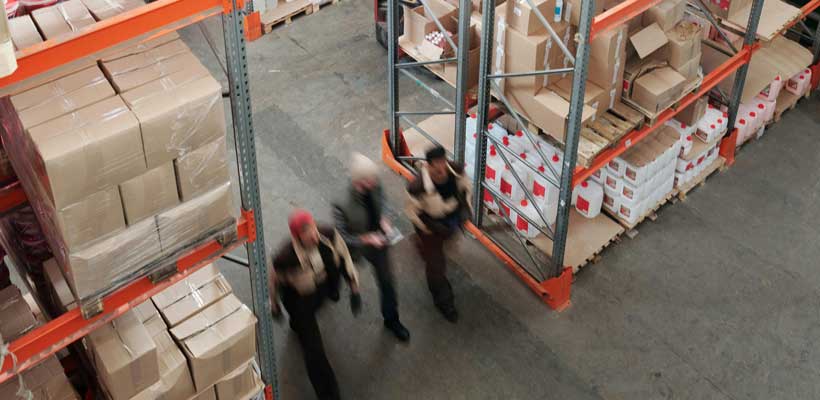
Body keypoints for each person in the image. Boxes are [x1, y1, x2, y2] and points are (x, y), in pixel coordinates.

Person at [270, 209, 362, 400]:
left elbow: (344, 256)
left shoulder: (327, 233)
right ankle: (329, 395)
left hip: (323, 288)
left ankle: (298, 325)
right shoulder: (285, 258)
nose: (313, 237)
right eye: (307, 235)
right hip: (300, 300)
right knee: (314, 352)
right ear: (297, 237)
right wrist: (275, 305)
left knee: (311, 314)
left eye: (313, 230)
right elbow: (274, 282)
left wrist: (354, 287)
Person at [333, 153, 410, 342]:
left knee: (387, 281)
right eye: (370, 181)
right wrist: (365, 239)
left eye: (374, 180)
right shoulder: (341, 202)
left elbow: (383, 200)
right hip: (355, 247)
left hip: (378, 243)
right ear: (358, 182)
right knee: (342, 270)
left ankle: (391, 319)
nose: (375, 183)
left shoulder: (374, 183)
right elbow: (342, 237)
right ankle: (333, 287)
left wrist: (384, 217)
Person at [405, 146, 472, 322]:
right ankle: (444, 301)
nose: (442, 167)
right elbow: (413, 212)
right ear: (428, 165)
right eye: (437, 164)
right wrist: (429, 227)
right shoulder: (418, 186)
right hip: (431, 229)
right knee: (435, 266)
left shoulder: (455, 171)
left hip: (452, 222)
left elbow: (465, 187)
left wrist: (465, 206)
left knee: (446, 245)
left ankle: (425, 247)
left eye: (443, 161)